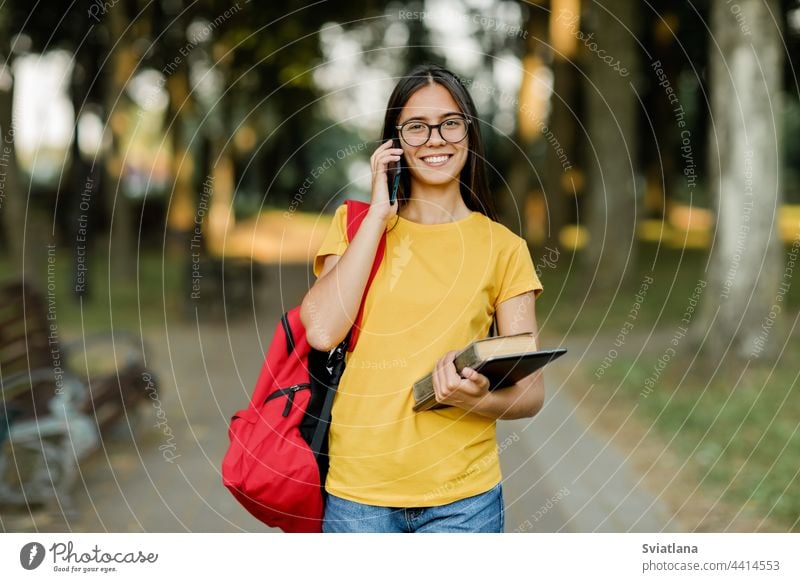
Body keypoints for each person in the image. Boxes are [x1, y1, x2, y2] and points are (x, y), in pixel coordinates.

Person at [299, 63, 545, 533]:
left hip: (464, 500)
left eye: (450, 123)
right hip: (359, 495)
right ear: (394, 143)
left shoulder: (504, 248)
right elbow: (323, 330)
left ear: (469, 133)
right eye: (416, 127)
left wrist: (476, 401)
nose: (435, 139)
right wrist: (377, 216)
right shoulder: (355, 227)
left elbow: (531, 392)